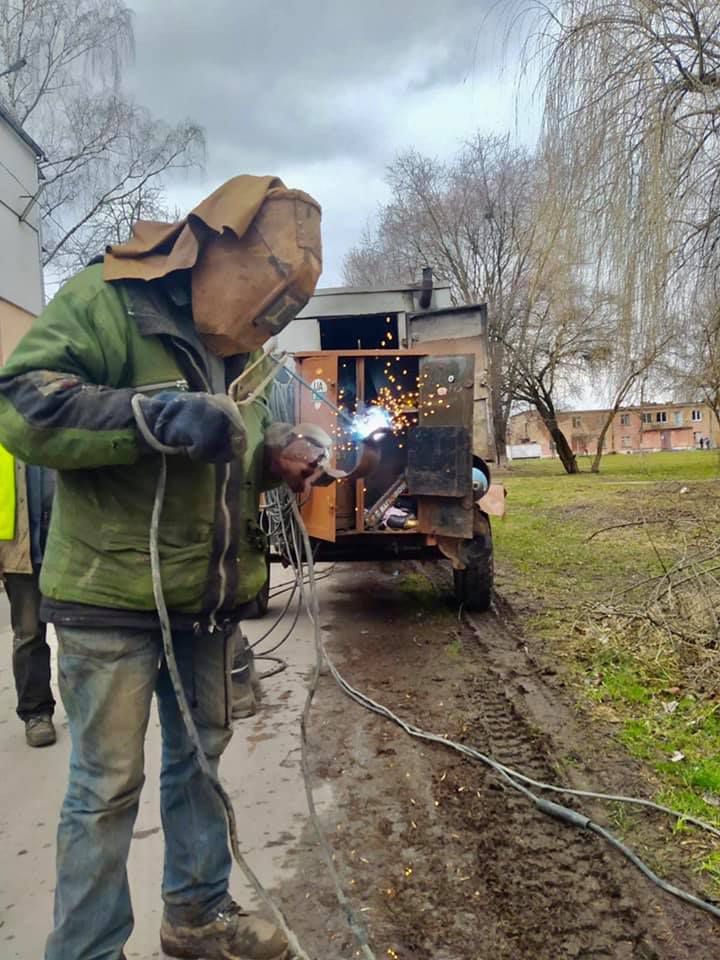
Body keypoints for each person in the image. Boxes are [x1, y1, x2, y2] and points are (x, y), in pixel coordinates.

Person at [0, 175, 322, 960]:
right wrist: (148, 417)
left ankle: (196, 916)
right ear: (219, 249)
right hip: (109, 600)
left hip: (203, 604)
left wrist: (278, 455)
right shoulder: (107, 301)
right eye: (268, 300)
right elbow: (19, 403)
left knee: (199, 769)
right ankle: (86, 950)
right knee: (106, 789)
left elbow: (235, 447)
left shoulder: (244, 341)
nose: (267, 324)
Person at [0, 449, 56, 746]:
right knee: (29, 634)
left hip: (69, 542)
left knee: (82, 632)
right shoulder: (6, 418)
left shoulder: (64, 406)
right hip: (18, 545)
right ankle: (36, 713)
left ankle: (90, 708)